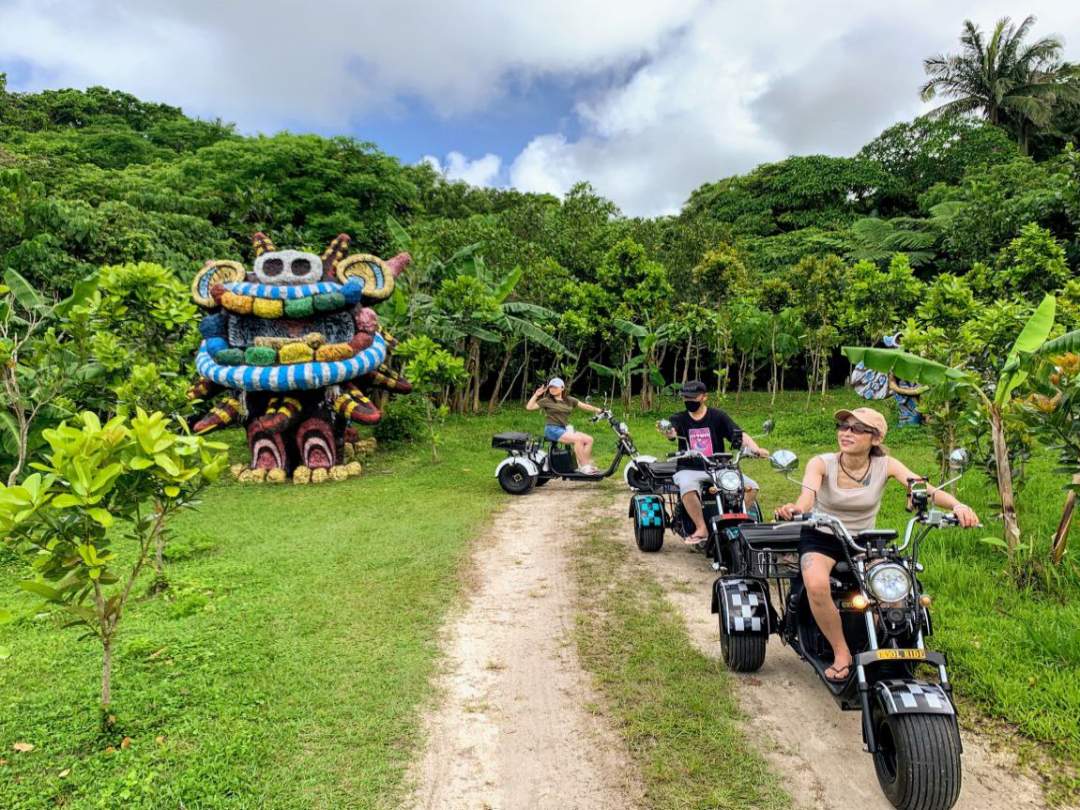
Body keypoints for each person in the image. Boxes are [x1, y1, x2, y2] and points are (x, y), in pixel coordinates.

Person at [776, 407, 979, 683]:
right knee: (816, 583)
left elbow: (923, 488)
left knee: (894, 589)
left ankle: (886, 643)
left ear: (875, 438)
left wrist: (958, 505)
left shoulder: (887, 465)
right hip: (822, 536)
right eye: (843, 426)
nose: (846, 433)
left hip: (864, 541)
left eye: (857, 429)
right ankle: (841, 652)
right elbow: (807, 496)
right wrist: (795, 509)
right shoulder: (822, 463)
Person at [659, 380, 769, 544]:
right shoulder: (679, 418)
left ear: (704, 397)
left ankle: (735, 520)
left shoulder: (718, 416)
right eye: (685, 397)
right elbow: (672, 432)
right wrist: (668, 432)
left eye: (693, 397)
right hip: (689, 468)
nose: (689, 401)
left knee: (752, 487)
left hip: (718, 467)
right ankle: (701, 528)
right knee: (688, 488)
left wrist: (756, 449)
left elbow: (739, 434)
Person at [526, 378, 603, 473]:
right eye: (551, 387)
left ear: (562, 388)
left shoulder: (569, 400)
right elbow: (529, 407)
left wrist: (599, 410)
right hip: (552, 429)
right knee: (577, 439)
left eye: (555, 387)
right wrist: (536, 395)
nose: (552, 389)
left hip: (564, 429)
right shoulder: (547, 400)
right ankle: (584, 467)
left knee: (589, 439)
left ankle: (584, 464)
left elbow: (584, 406)